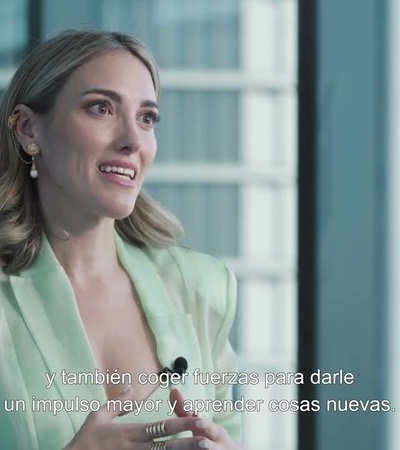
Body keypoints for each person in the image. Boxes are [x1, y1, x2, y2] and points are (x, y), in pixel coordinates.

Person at [0, 29, 242, 449]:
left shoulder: (202, 288)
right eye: (101, 108)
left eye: (147, 118)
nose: (133, 140)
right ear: (26, 129)